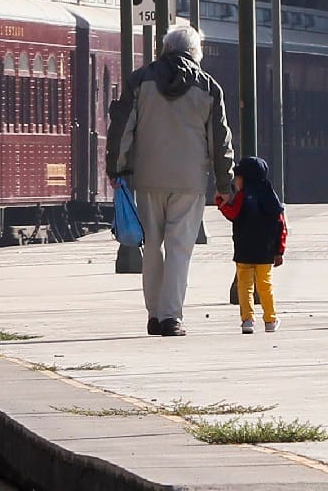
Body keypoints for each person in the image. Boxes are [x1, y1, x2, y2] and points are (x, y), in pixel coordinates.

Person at [106, 25, 235, 337]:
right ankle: (171, 317)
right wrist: (224, 183)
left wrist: (117, 168)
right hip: (190, 181)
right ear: (196, 53)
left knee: (151, 246)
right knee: (179, 249)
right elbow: (220, 140)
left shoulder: (139, 81)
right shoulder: (208, 87)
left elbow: (123, 128)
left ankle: (154, 314)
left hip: (148, 178)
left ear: (164, 48)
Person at [217, 157, 287, 334]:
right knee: (265, 285)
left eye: (237, 177)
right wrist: (279, 250)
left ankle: (247, 320)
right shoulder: (270, 196)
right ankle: (270, 319)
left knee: (245, 286)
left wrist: (221, 203)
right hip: (265, 251)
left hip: (244, 250)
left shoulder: (242, 196)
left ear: (245, 178)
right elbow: (281, 224)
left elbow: (232, 214)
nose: (235, 181)